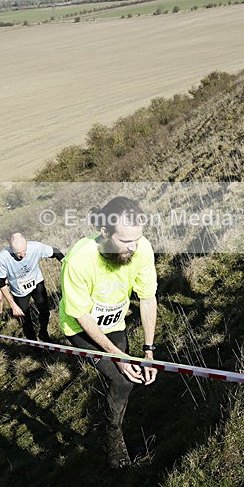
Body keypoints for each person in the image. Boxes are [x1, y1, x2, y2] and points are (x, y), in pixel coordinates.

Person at [59, 196, 158, 469]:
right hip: (81, 328)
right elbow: (80, 314)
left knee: (127, 377)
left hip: (115, 323)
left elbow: (148, 298)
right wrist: (118, 356)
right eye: (125, 241)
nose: (133, 247)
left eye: (137, 239)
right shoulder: (78, 260)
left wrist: (148, 351)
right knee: (124, 379)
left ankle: (119, 419)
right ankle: (112, 438)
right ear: (105, 232)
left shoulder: (142, 249)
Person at [0, 232, 64, 342]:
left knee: (45, 311)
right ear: (11, 249)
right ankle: (34, 344)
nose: (22, 255)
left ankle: (43, 332)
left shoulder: (35, 247)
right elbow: (1, 283)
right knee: (25, 320)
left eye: (24, 251)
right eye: (18, 253)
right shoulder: (3, 257)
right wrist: (13, 305)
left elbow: (55, 252)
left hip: (36, 283)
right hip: (19, 292)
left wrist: (65, 264)